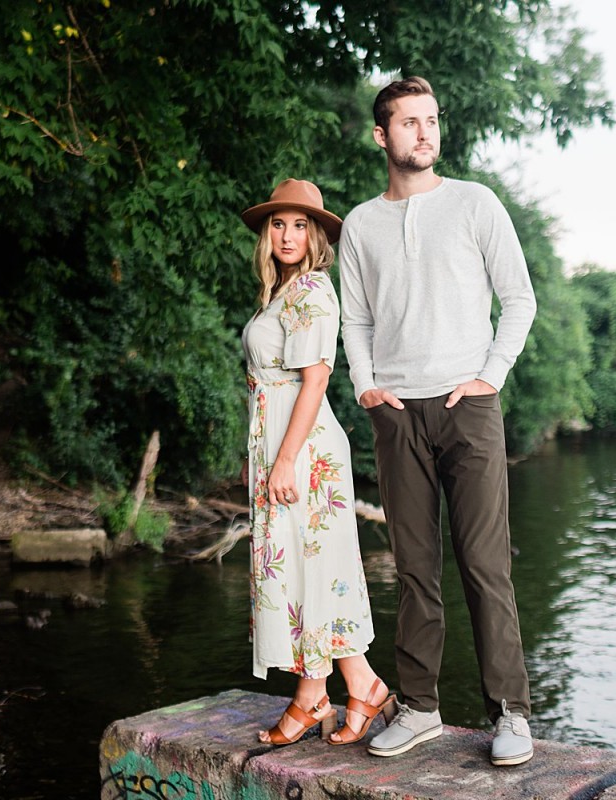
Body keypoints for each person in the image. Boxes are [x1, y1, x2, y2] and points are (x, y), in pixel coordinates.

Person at [338, 77, 538, 766]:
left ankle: (510, 713)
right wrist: (366, 386)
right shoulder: (362, 223)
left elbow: (518, 299)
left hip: (469, 408)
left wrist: (491, 375)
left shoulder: (475, 204)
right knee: (415, 568)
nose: (424, 132)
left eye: (431, 120)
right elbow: (356, 317)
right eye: (408, 122)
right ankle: (420, 707)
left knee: (486, 567)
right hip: (397, 413)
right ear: (382, 135)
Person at [239, 178, 396, 747]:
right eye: (279, 223)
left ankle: (316, 696)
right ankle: (354, 687)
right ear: (266, 231)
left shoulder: (312, 291)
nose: (287, 234)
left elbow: (314, 381)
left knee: (312, 568)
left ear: (315, 236)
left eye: (300, 224)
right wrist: (255, 458)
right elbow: (266, 389)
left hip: (304, 450)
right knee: (309, 571)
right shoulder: (279, 293)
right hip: (278, 445)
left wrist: (283, 461)